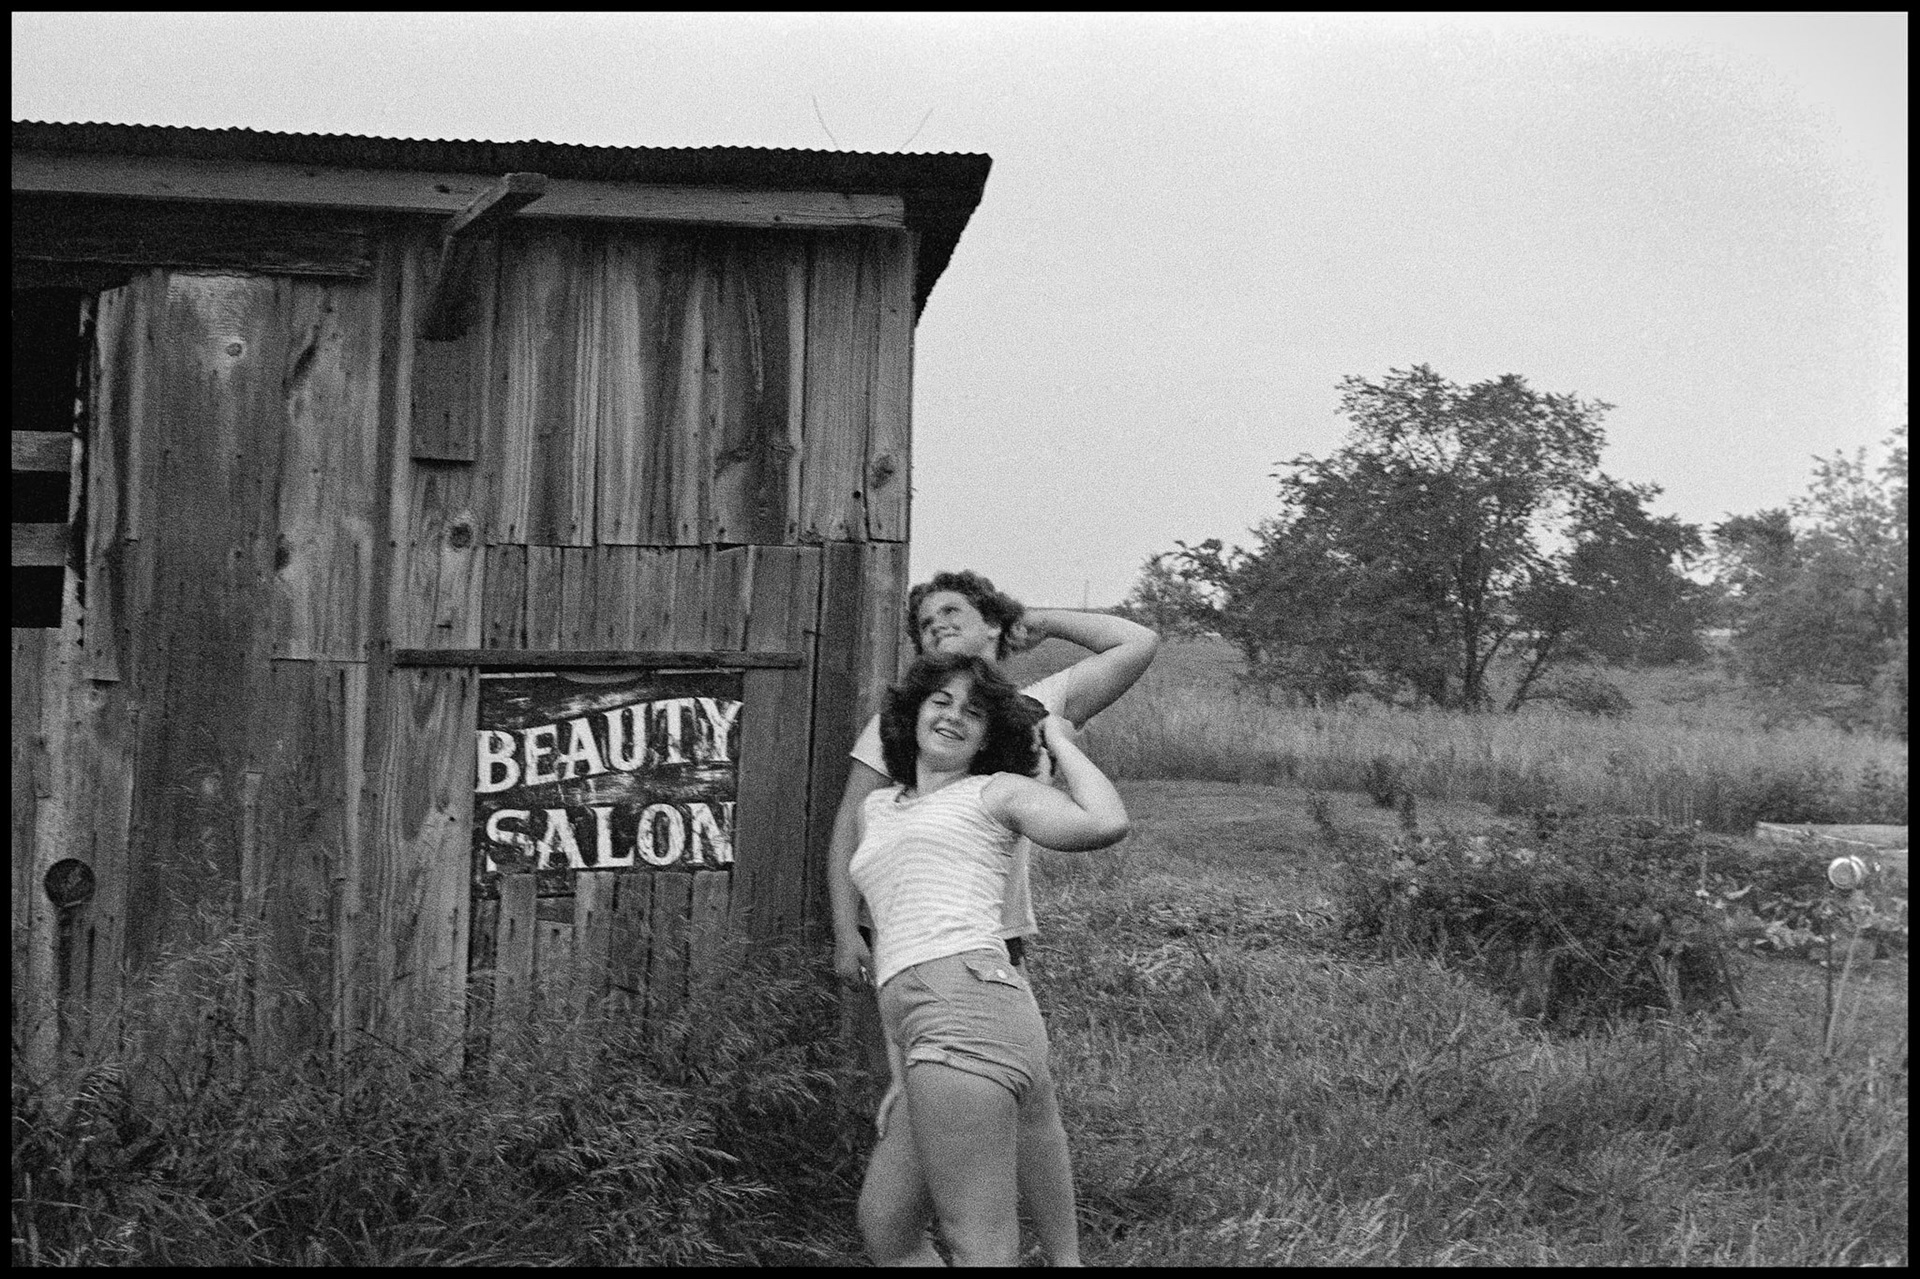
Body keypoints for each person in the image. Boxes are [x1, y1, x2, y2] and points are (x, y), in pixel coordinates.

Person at [827, 570, 1158, 1265]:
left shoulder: (996, 787)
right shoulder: (884, 807)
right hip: (923, 1008)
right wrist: (897, 1063)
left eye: (971, 712)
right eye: (938, 699)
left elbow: (1104, 819)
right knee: (886, 1225)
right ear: (913, 707)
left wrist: (1062, 740)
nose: (952, 714)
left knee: (980, 1239)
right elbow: (895, 927)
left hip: (970, 992)